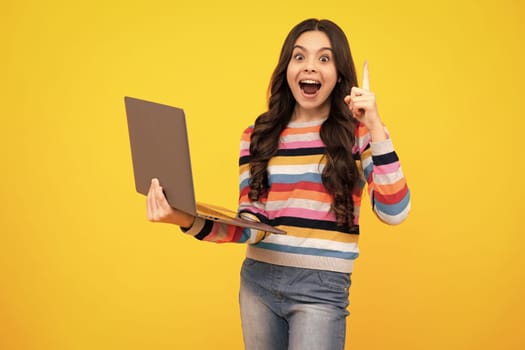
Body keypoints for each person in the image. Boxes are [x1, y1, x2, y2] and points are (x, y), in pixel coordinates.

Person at [146, 18, 410, 350]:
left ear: (340, 73)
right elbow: (251, 226)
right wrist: (183, 218)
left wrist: (375, 126)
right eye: (299, 57)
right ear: (287, 67)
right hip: (257, 281)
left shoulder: (359, 134)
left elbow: (394, 211)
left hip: (321, 289)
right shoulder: (257, 136)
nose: (309, 66)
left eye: (324, 58)